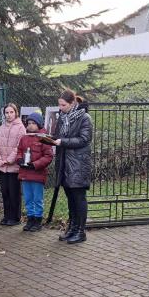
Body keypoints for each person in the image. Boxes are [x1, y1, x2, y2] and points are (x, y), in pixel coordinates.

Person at [54, 89, 92, 244]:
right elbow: (58, 136)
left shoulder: (84, 117)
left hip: (78, 164)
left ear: (72, 103)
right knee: (70, 198)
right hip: (64, 164)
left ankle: (80, 232)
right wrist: (50, 139)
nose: (60, 108)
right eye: (59, 105)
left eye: (63, 105)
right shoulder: (62, 117)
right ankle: (72, 228)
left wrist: (63, 142)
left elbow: (84, 139)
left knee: (79, 198)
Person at [16, 112, 53, 232]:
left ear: (39, 124)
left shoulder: (44, 138)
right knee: (28, 198)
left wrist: (35, 164)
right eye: (29, 123)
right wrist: (19, 160)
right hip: (25, 174)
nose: (30, 125)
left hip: (37, 174)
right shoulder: (24, 138)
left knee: (37, 199)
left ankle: (38, 220)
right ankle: (30, 219)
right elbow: (19, 151)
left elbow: (48, 156)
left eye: (33, 123)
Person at [0, 103, 26, 226]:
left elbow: (19, 146)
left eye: (11, 112)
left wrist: (8, 160)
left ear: (16, 113)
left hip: (13, 167)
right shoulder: (2, 127)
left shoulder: (21, 127)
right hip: (2, 166)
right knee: (5, 192)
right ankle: (7, 216)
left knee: (14, 193)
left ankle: (15, 218)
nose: (9, 115)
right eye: (7, 112)